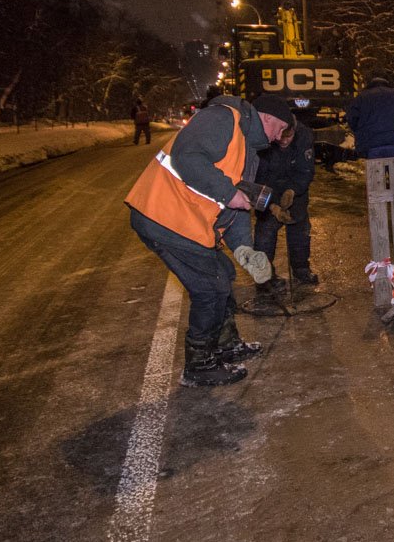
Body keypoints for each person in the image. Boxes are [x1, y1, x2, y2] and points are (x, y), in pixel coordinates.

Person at [125, 92, 295, 387]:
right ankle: (199, 364)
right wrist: (229, 193)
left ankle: (226, 344)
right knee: (210, 287)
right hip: (164, 217)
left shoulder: (248, 149)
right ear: (268, 118)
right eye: (280, 129)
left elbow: (237, 204)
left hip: (186, 222)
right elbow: (187, 156)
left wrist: (244, 249)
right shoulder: (223, 118)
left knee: (223, 275)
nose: (280, 138)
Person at [253, 118, 319, 298]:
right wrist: (272, 205)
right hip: (268, 190)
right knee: (265, 233)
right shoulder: (263, 138)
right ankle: (264, 277)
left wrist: (293, 191)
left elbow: (306, 170)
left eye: (288, 137)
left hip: (295, 191)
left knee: (299, 229)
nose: (284, 141)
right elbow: (258, 177)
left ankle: (301, 268)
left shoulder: (304, 137)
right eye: (280, 137)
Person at [346, 71, 394, 159]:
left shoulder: (361, 97)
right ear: (387, 81)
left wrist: (360, 132)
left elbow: (352, 119)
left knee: (376, 171)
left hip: (371, 143)